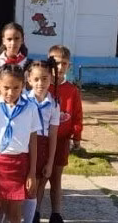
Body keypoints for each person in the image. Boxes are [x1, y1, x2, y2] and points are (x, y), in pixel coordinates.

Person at [0, 64, 41, 223]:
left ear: (23, 85)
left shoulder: (31, 109)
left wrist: (32, 173)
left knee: (15, 213)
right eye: (6, 87)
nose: (11, 92)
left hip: (19, 165)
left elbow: (33, 141)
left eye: (16, 88)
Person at [46, 45, 82, 223]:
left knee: (56, 179)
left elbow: (77, 115)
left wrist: (77, 136)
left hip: (61, 140)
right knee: (39, 180)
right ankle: (34, 212)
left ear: (69, 66)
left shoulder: (72, 90)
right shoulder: (40, 85)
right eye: (56, 62)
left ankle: (56, 213)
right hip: (42, 140)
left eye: (64, 63)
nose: (59, 67)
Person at [24, 59, 61, 223]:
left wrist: (50, 162)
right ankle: (23, 214)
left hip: (43, 145)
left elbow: (53, 134)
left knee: (39, 183)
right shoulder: (23, 100)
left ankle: (35, 213)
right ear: (29, 79)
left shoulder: (54, 103)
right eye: (36, 79)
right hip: (25, 144)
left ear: (51, 79)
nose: (40, 83)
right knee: (26, 182)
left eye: (45, 78)